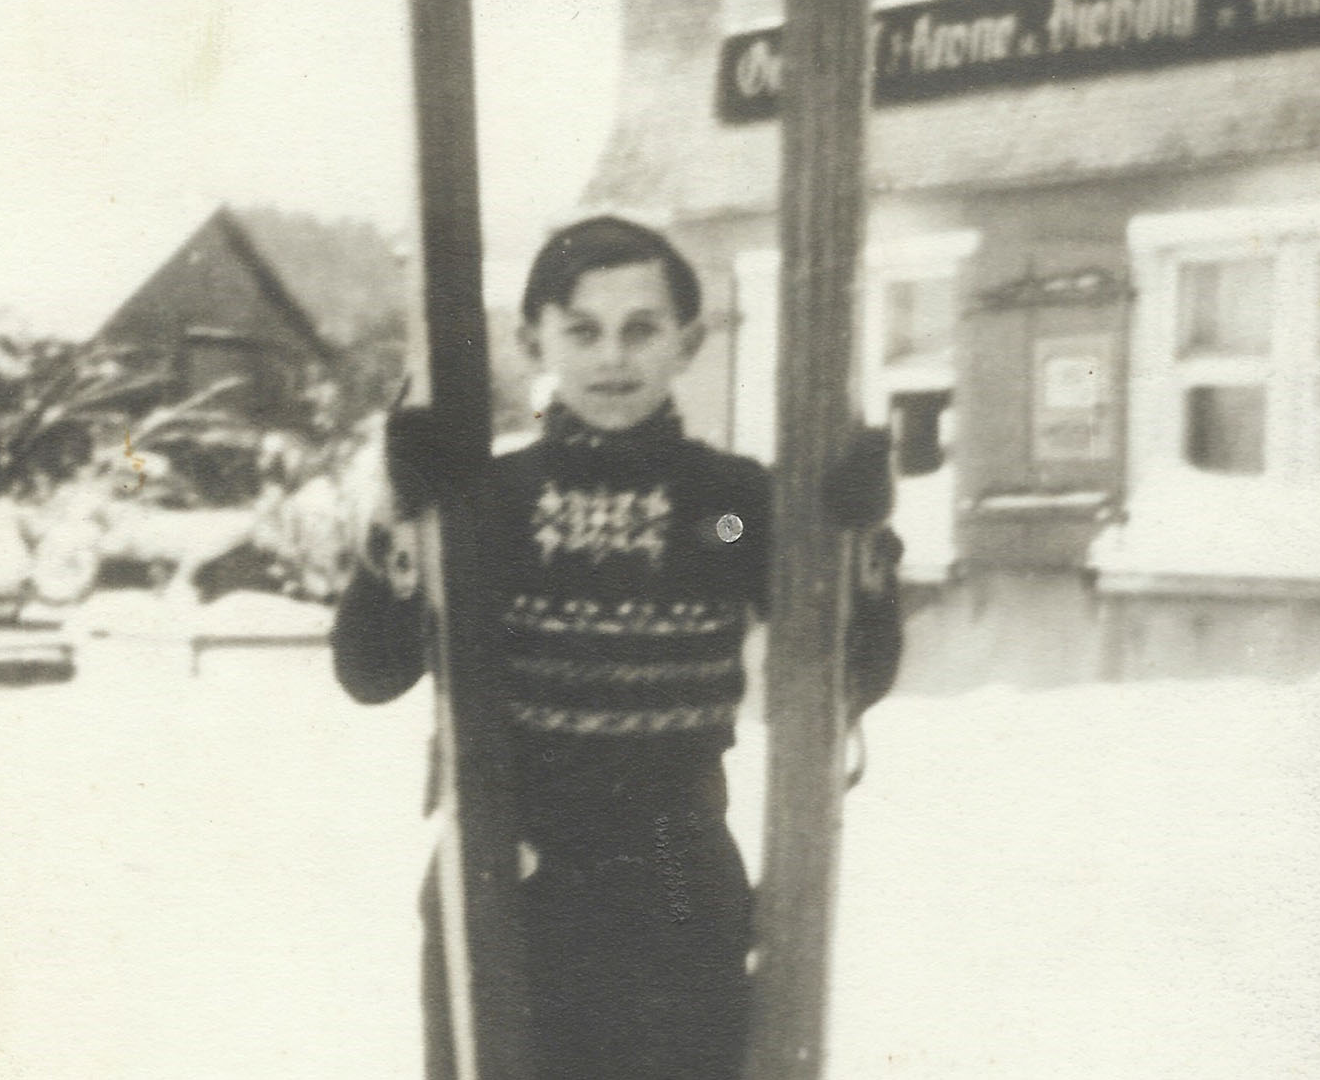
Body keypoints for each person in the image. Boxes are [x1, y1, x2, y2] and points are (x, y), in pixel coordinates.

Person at [332, 215, 904, 1079]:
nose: (612, 358)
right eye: (583, 331)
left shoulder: (728, 504)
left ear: (689, 342)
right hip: (507, 870)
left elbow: (854, 673)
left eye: (642, 329)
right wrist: (402, 519)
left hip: (674, 876)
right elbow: (370, 672)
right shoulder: (491, 502)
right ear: (534, 344)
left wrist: (854, 544)